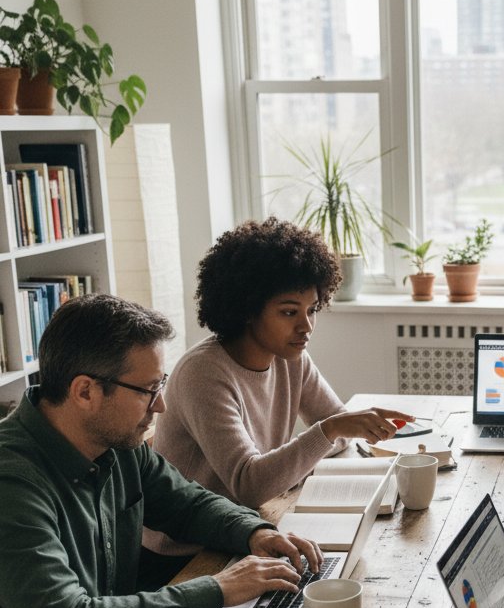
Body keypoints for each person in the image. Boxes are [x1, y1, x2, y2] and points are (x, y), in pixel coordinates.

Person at [0, 295, 323, 608]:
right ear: (85, 392)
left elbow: (187, 503)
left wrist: (256, 531)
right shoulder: (12, 483)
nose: (161, 407)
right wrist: (218, 588)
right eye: (148, 390)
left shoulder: (115, 442)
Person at [145, 217, 414, 562]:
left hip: (249, 529)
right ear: (247, 309)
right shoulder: (203, 374)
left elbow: (340, 431)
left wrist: (334, 431)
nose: (306, 326)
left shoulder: (290, 358)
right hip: (186, 554)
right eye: (289, 312)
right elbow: (250, 485)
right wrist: (329, 431)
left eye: (312, 310)